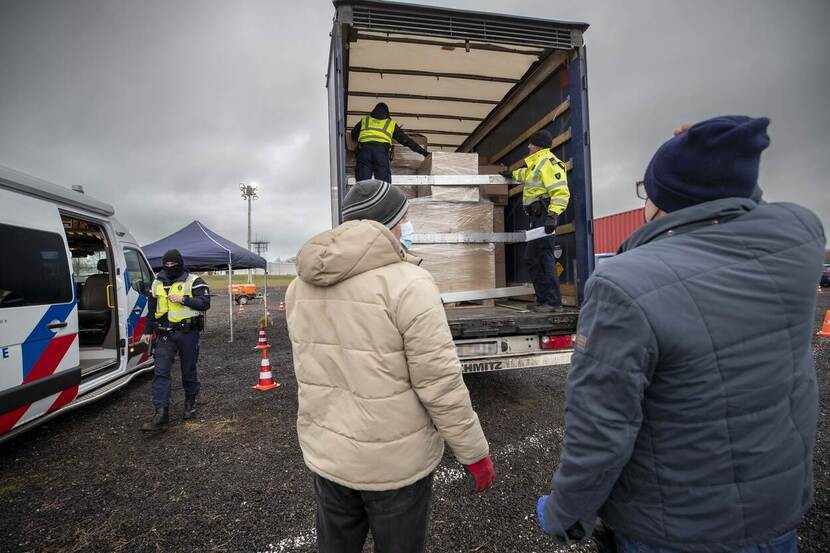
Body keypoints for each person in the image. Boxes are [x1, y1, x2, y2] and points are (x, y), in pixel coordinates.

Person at [536, 115, 824, 552]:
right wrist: (720, 158)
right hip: (775, 518)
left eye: (646, 189)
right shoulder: (799, 242)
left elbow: (601, 431)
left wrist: (566, 516)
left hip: (675, 531)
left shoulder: (625, 285)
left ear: (662, 198)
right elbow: (751, 203)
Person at [285, 179, 494, 553]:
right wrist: (473, 452)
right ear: (389, 223)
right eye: (405, 218)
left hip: (329, 456)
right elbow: (440, 383)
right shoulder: (410, 284)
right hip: (394, 467)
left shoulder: (298, 287)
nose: (407, 227)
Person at [140, 249, 211, 431]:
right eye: (167, 264)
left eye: (173, 264)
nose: (170, 267)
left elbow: (205, 303)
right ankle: (161, 413)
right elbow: (151, 309)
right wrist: (148, 330)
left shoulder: (194, 280)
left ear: (180, 264)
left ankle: (190, 404)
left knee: (188, 370)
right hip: (164, 334)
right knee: (161, 372)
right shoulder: (157, 283)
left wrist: (184, 299)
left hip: (187, 333)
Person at [503, 130, 570, 313]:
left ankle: (553, 303)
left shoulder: (549, 162)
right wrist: (511, 175)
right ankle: (543, 300)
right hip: (536, 217)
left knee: (543, 258)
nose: (528, 146)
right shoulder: (537, 163)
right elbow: (527, 175)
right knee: (533, 259)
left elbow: (561, 191)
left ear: (538, 145)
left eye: (531, 144)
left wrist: (553, 215)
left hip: (544, 216)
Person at [351, 102, 429, 182]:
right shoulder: (390, 124)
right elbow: (407, 141)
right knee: (384, 184)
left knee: (363, 184)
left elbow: (353, 135)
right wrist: (424, 153)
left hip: (364, 152)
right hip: (381, 153)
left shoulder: (365, 120)